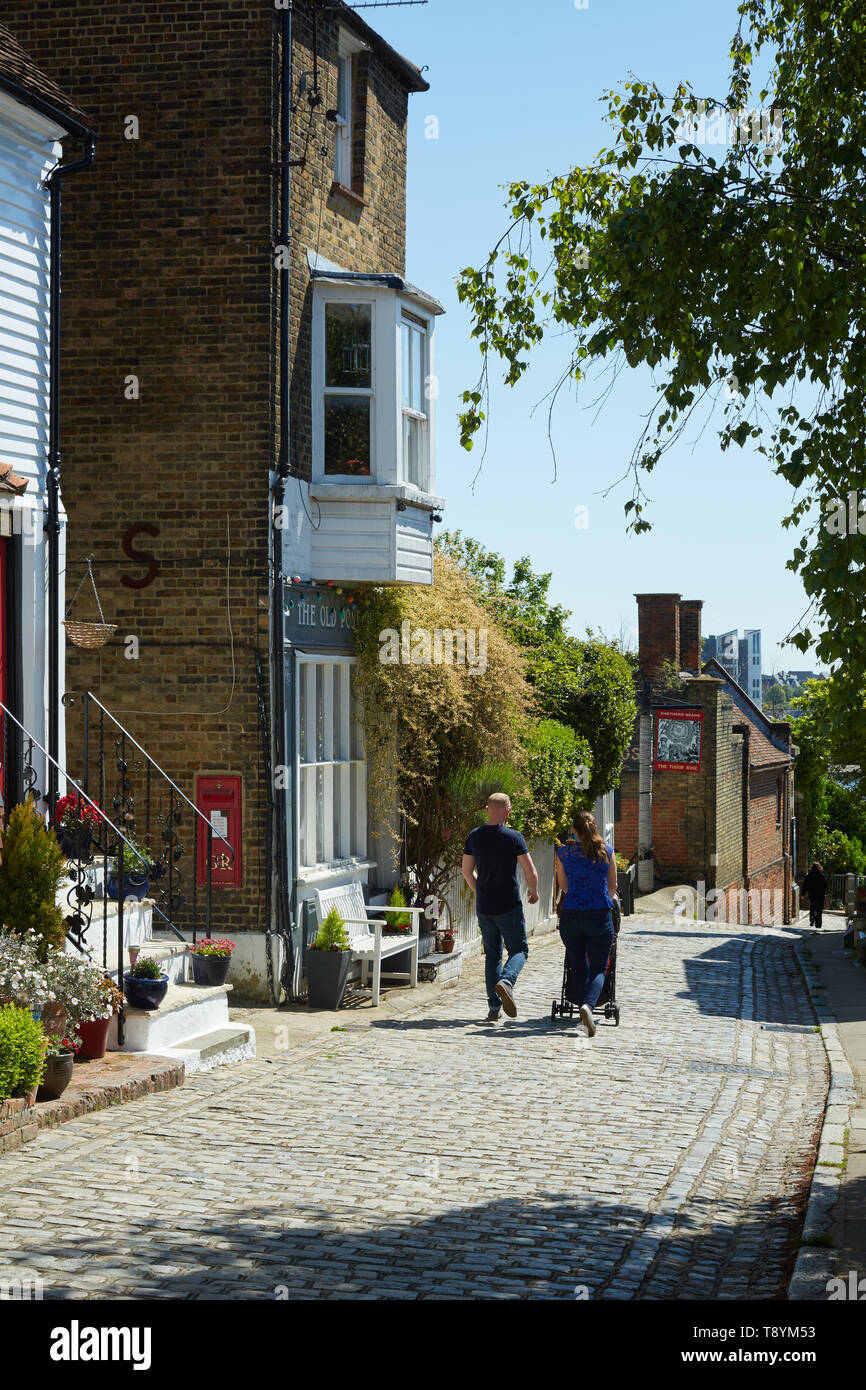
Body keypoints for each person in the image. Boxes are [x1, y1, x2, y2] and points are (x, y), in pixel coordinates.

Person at [462, 793, 539, 1021]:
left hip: (485, 906)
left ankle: (494, 1008)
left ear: (487, 809)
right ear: (508, 811)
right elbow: (530, 871)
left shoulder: (474, 836)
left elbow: (467, 872)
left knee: (492, 955)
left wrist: (480, 892)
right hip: (508, 905)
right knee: (519, 950)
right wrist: (534, 892)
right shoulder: (514, 837)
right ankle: (507, 981)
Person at [554, 810, 617, 1037]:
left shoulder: (563, 853)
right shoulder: (606, 852)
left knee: (578, 964)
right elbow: (612, 886)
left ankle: (582, 1004)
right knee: (599, 966)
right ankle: (588, 1006)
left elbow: (563, 885)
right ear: (595, 828)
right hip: (599, 915)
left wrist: (578, 896)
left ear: (573, 830)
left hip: (572, 915)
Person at [802, 861, 828, 930]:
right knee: (819, 909)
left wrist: (803, 894)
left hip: (812, 894)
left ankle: (812, 918)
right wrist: (824, 892)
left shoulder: (809, 876)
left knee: (813, 906)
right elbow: (825, 884)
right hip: (820, 895)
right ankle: (818, 924)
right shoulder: (822, 875)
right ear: (819, 867)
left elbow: (805, 885)